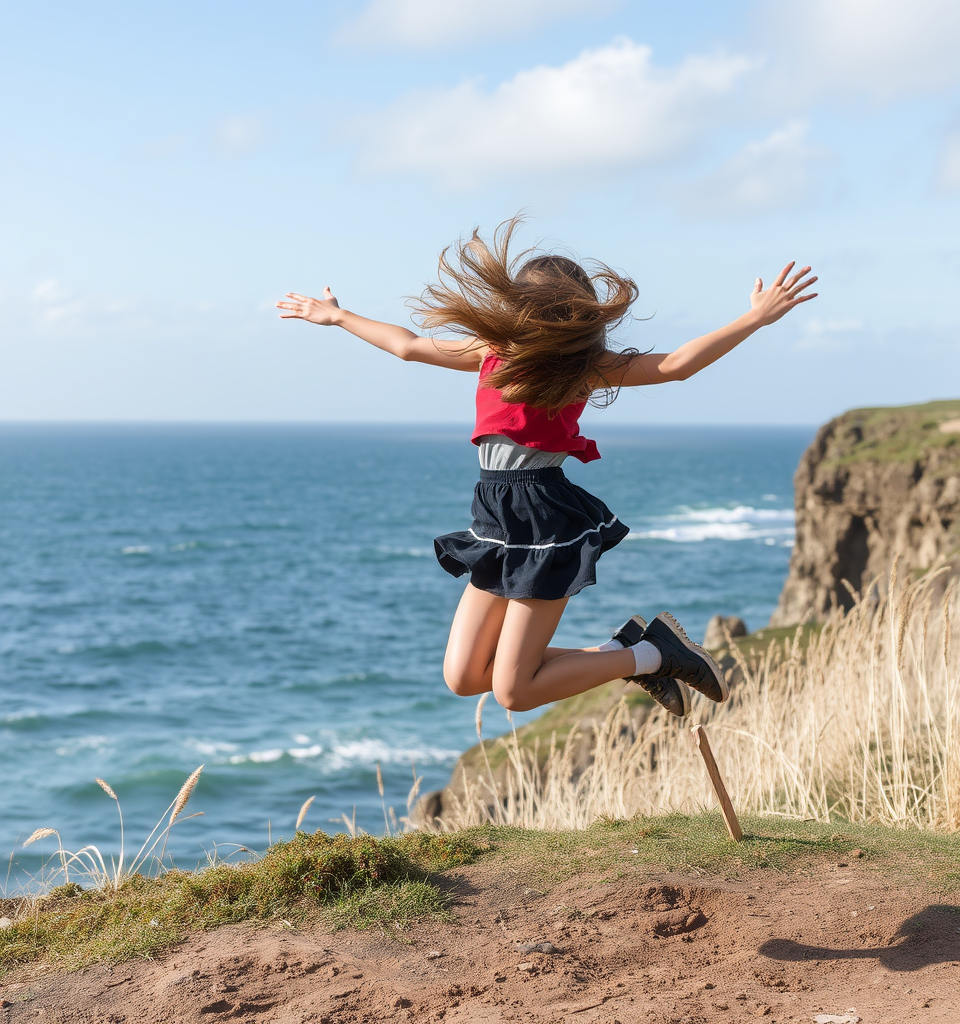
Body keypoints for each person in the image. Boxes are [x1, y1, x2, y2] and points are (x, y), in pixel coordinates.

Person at [276, 218, 816, 719]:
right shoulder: (494, 350)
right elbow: (410, 346)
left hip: (542, 517)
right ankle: (631, 648)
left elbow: (677, 367)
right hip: (493, 514)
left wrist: (754, 317)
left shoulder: (585, 367)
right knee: (465, 676)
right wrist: (338, 316)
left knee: (515, 691)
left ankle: (650, 655)